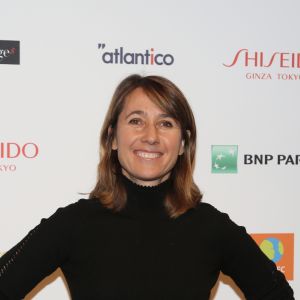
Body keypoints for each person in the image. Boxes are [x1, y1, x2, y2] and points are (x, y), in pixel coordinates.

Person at [0, 74, 294, 299]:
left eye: (166, 123)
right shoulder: (73, 224)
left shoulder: (212, 227)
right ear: (113, 138)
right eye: (136, 120)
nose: (151, 136)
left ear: (183, 144)